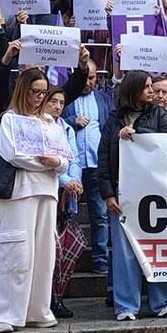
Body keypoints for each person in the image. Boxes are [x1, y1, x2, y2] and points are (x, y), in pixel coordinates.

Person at [0, 67, 70, 333]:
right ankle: (6, 312)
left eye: (43, 92)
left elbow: (65, 157)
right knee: (16, 251)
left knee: (44, 252)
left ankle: (38, 309)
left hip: (47, 191)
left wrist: (56, 162)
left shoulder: (50, 121)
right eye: (35, 91)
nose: (39, 97)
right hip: (19, 190)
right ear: (24, 90)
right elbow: (13, 154)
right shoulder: (10, 118)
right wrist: (46, 163)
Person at [99, 70, 167, 320]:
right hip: (123, 194)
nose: (151, 91)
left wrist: (137, 136)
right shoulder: (113, 120)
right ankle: (126, 306)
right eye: (146, 87)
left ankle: (162, 302)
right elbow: (103, 158)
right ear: (133, 90)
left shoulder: (160, 115)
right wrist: (108, 194)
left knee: (158, 248)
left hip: (155, 194)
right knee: (123, 253)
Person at [62, 51, 113, 274]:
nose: (89, 82)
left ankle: (100, 259)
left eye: (93, 78)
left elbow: (110, 124)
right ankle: (66, 257)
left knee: (100, 214)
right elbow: (54, 117)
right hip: (72, 166)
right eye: (86, 77)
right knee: (68, 214)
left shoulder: (103, 98)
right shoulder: (66, 98)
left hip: (96, 164)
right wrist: (72, 121)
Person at [43, 87, 83, 319]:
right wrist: (66, 180)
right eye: (53, 101)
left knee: (62, 251)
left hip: (66, 200)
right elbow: (47, 160)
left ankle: (56, 298)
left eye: (61, 102)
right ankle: (45, 299)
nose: (58, 106)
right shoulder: (39, 125)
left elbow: (73, 158)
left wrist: (75, 180)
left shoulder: (66, 128)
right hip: (48, 192)